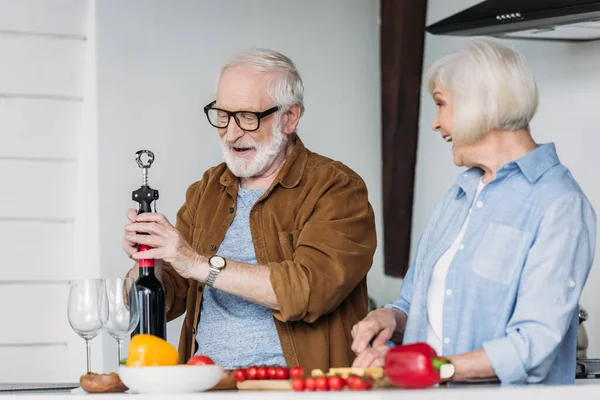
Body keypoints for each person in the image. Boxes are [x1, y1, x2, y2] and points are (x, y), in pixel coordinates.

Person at [350, 39, 596, 385]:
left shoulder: (558, 203)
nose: (435, 124)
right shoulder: (459, 195)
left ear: (479, 105)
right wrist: (390, 317)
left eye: (441, 105)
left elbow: (533, 346)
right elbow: (418, 305)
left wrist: (432, 367)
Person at [122, 49, 377, 371]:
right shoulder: (206, 190)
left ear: (289, 117)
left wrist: (196, 262)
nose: (230, 133)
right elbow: (169, 301)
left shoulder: (336, 188)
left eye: (247, 117)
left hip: (294, 388)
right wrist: (150, 263)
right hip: (205, 385)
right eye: (223, 114)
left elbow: (311, 291)